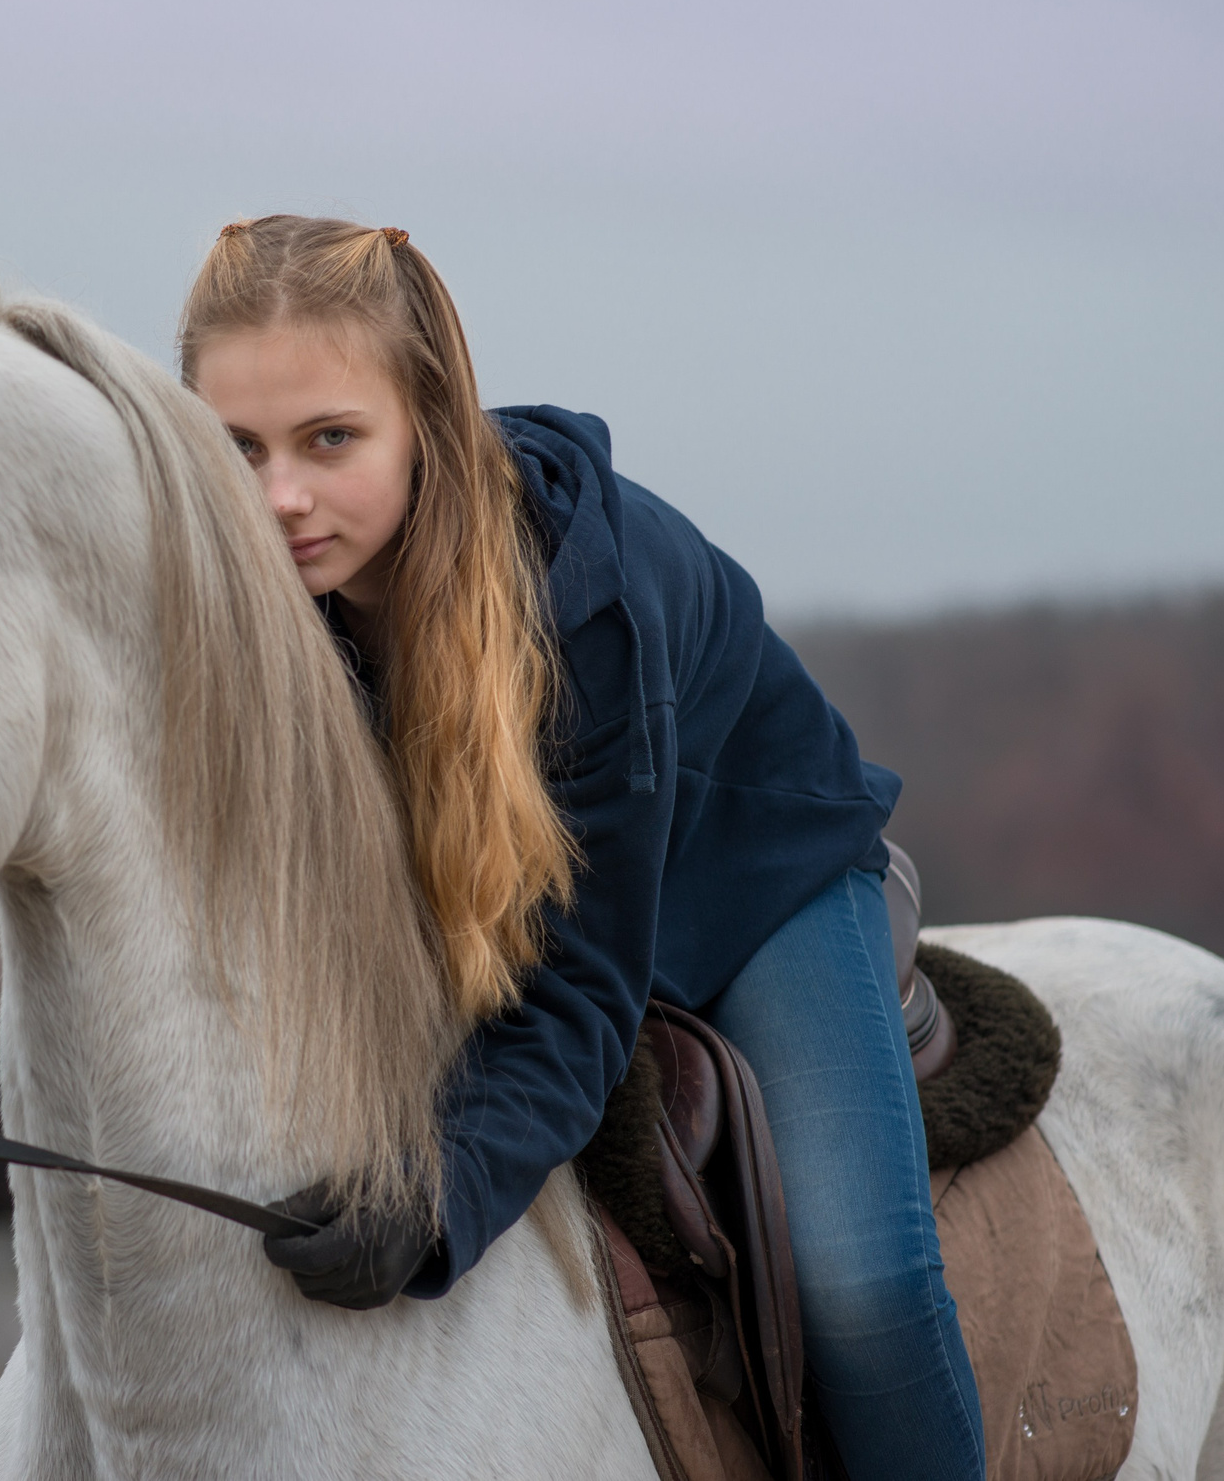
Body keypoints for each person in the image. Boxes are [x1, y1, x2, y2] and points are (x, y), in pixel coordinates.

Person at [180, 215, 985, 1481]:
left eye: (330, 438)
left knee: (861, 1280)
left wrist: (438, 1199)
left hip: (746, 883)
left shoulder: (581, 607)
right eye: (235, 448)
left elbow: (577, 984)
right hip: (503, 900)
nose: (280, 495)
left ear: (427, 421)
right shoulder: (262, 593)